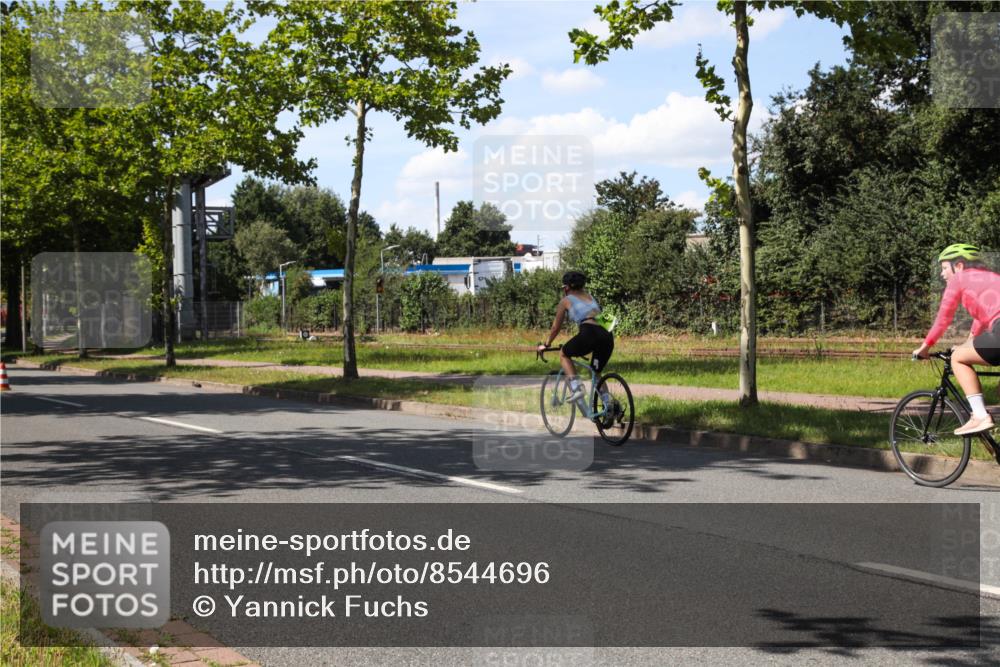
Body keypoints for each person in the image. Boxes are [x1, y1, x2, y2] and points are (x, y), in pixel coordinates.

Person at [912, 243, 1000, 435]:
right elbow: (981, 318)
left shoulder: (959, 279)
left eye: (945, 268)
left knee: (958, 358)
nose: (942, 274)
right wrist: (967, 344)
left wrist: (925, 347)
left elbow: (943, 319)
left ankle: (980, 416)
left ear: (958, 266)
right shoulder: (990, 278)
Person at [537, 271, 615, 408]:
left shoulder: (566, 300)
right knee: (596, 372)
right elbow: (606, 321)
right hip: (607, 335)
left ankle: (577, 388)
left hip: (589, 333)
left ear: (567, 287)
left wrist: (546, 344)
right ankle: (609, 405)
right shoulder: (590, 297)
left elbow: (555, 327)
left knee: (563, 353)